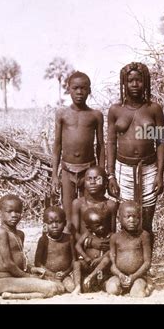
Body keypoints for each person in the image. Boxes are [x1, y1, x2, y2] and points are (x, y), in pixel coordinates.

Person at [107, 62, 164, 248]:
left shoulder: (154, 109)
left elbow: (161, 143)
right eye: (130, 80)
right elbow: (110, 143)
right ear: (124, 83)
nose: (134, 84)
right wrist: (110, 175)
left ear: (145, 82)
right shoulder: (115, 110)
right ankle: (127, 261)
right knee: (126, 217)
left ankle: (145, 265)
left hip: (148, 168)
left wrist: (159, 174)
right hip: (122, 169)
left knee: (146, 219)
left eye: (138, 80)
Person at [51, 71, 105, 232]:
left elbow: (101, 145)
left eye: (83, 88)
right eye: (75, 88)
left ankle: (87, 251)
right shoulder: (62, 114)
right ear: (68, 89)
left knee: (88, 212)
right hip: (67, 171)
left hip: (89, 172)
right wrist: (55, 174)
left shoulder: (95, 115)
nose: (79, 92)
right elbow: (57, 145)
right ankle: (72, 253)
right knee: (68, 214)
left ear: (89, 90)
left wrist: (102, 173)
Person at [0, 195, 64, 299]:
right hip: (5, 280)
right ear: (0, 213)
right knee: (52, 288)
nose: (14, 215)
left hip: (19, 277)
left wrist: (33, 269)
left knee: (59, 286)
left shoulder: (20, 234)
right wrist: (28, 276)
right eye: (9, 211)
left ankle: (14, 295)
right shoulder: (2, 233)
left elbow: (21, 261)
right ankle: (11, 295)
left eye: (17, 211)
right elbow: (8, 264)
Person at [105, 201, 151, 297]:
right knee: (112, 289)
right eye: (128, 216)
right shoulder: (115, 237)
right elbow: (112, 265)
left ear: (140, 218)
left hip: (138, 276)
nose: (132, 220)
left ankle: (147, 286)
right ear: (119, 219)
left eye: (135, 217)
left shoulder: (144, 236)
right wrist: (120, 275)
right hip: (119, 276)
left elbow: (147, 262)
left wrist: (133, 277)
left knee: (138, 294)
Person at [33, 206, 78, 293]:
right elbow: (37, 263)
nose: (54, 226)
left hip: (64, 275)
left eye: (58, 222)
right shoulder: (43, 240)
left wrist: (65, 273)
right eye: (50, 223)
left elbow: (74, 260)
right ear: (45, 225)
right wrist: (52, 274)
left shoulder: (69, 238)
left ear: (64, 223)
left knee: (71, 287)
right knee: (58, 288)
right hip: (48, 275)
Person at [70, 166, 118, 244]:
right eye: (89, 179)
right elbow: (75, 232)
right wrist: (91, 243)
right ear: (84, 183)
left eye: (97, 179)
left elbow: (112, 232)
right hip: (84, 247)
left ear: (105, 183)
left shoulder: (110, 205)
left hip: (104, 246)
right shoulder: (78, 204)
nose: (92, 182)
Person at [74, 208, 112, 293]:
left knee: (107, 260)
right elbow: (77, 245)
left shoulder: (110, 235)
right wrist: (86, 257)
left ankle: (91, 277)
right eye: (98, 226)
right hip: (89, 263)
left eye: (103, 224)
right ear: (89, 228)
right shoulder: (87, 234)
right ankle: (77, 286)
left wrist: (100, 258)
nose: (102, 227)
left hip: (101, 267)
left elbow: (112, 250)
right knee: (77, 263)